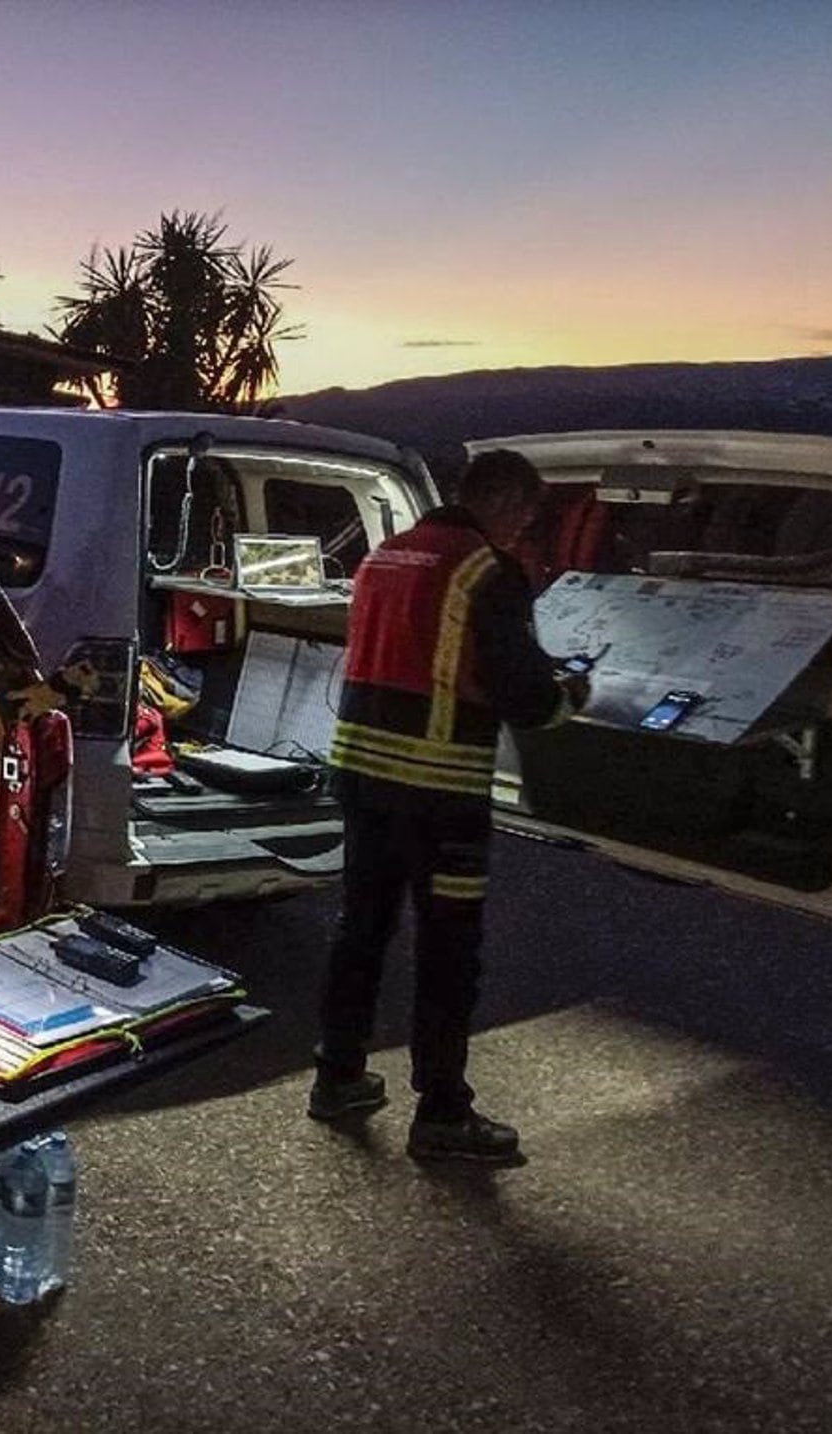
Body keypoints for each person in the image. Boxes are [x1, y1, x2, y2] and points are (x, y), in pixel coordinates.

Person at [308, 449, 588, 1162]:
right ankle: (442, 1114)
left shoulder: (387, 557)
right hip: (438, 792)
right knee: (447, 950)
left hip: (363, 780)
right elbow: (525, 697)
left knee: (360, 931)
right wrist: (571, 696)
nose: (524, 530)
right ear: (503, 503)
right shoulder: (485, 570)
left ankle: (338, 1076)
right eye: (525, 515)